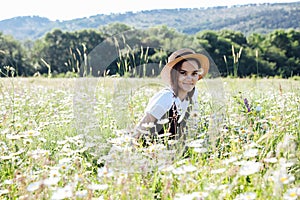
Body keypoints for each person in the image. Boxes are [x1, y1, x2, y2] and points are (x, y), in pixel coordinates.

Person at [133, 48, 210, 145]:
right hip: (152, 149)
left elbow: (192, 126)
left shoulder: (193, 94)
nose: (189, 78)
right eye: (183, 73)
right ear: (174, 74)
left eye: (194, 73)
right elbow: (142, 127)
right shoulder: (166, 97)